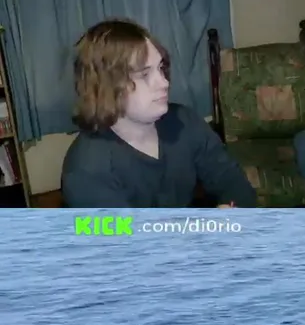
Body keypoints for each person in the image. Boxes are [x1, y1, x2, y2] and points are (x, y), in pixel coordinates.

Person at [60, 19, 257, 208]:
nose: (164, 82)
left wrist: (232, 211)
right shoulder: (86, 171)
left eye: (161, 68)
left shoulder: (184, 121)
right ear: (106, 86)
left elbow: (233, 182)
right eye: (144, 74)